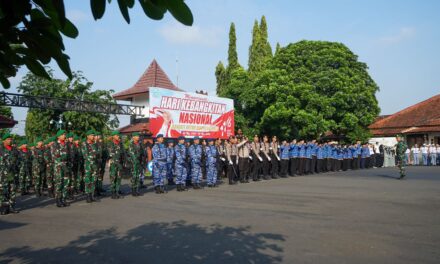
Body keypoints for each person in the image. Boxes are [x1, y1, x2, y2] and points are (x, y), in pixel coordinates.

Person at [0, 133, 19, 214]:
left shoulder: (14, 149)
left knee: (13, 190)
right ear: (4, 140)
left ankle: (12, 207)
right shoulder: (1, 149)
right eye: (8, 139)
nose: (10, 140)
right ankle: (4, 208)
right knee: (3, 191)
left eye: (11, 139)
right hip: (3, 174)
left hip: (13, 173)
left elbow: (19, 159)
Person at [52, 130, 70, 207]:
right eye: (62, 134)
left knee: (66, 183)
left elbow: (68, 155)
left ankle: (63, 199)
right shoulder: (55, 145)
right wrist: (63, 158)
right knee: (59, 183)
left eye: (64, 134)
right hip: (59, 166)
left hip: (65, 166)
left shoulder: (66, 144)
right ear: (58, 136)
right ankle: (58, 200)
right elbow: (55, 156)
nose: (64, 136)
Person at [82, 130, 99, 203]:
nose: (93, 136)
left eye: (93, 135)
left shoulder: (95, 144)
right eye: (92, 135)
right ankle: (88, 196)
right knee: (88, 180)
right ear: (87, 136)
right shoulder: (84, 144)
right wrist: (93, 156)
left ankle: (92, 195)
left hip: (94, 164)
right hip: (88, 165)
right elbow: (85, 155)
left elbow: (97, 153)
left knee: (93, 180)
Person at [107, 131, 125, 199]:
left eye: (118, 136)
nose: (118, 137)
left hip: (119, 163)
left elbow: (123, 153)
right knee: (113, 178)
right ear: (113, 136)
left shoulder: (120, 144)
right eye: (117, 135)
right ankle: (113, 192)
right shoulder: (110, 144)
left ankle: (117, 191)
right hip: (113, 164)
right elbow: (110, 154)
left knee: (119, 178)